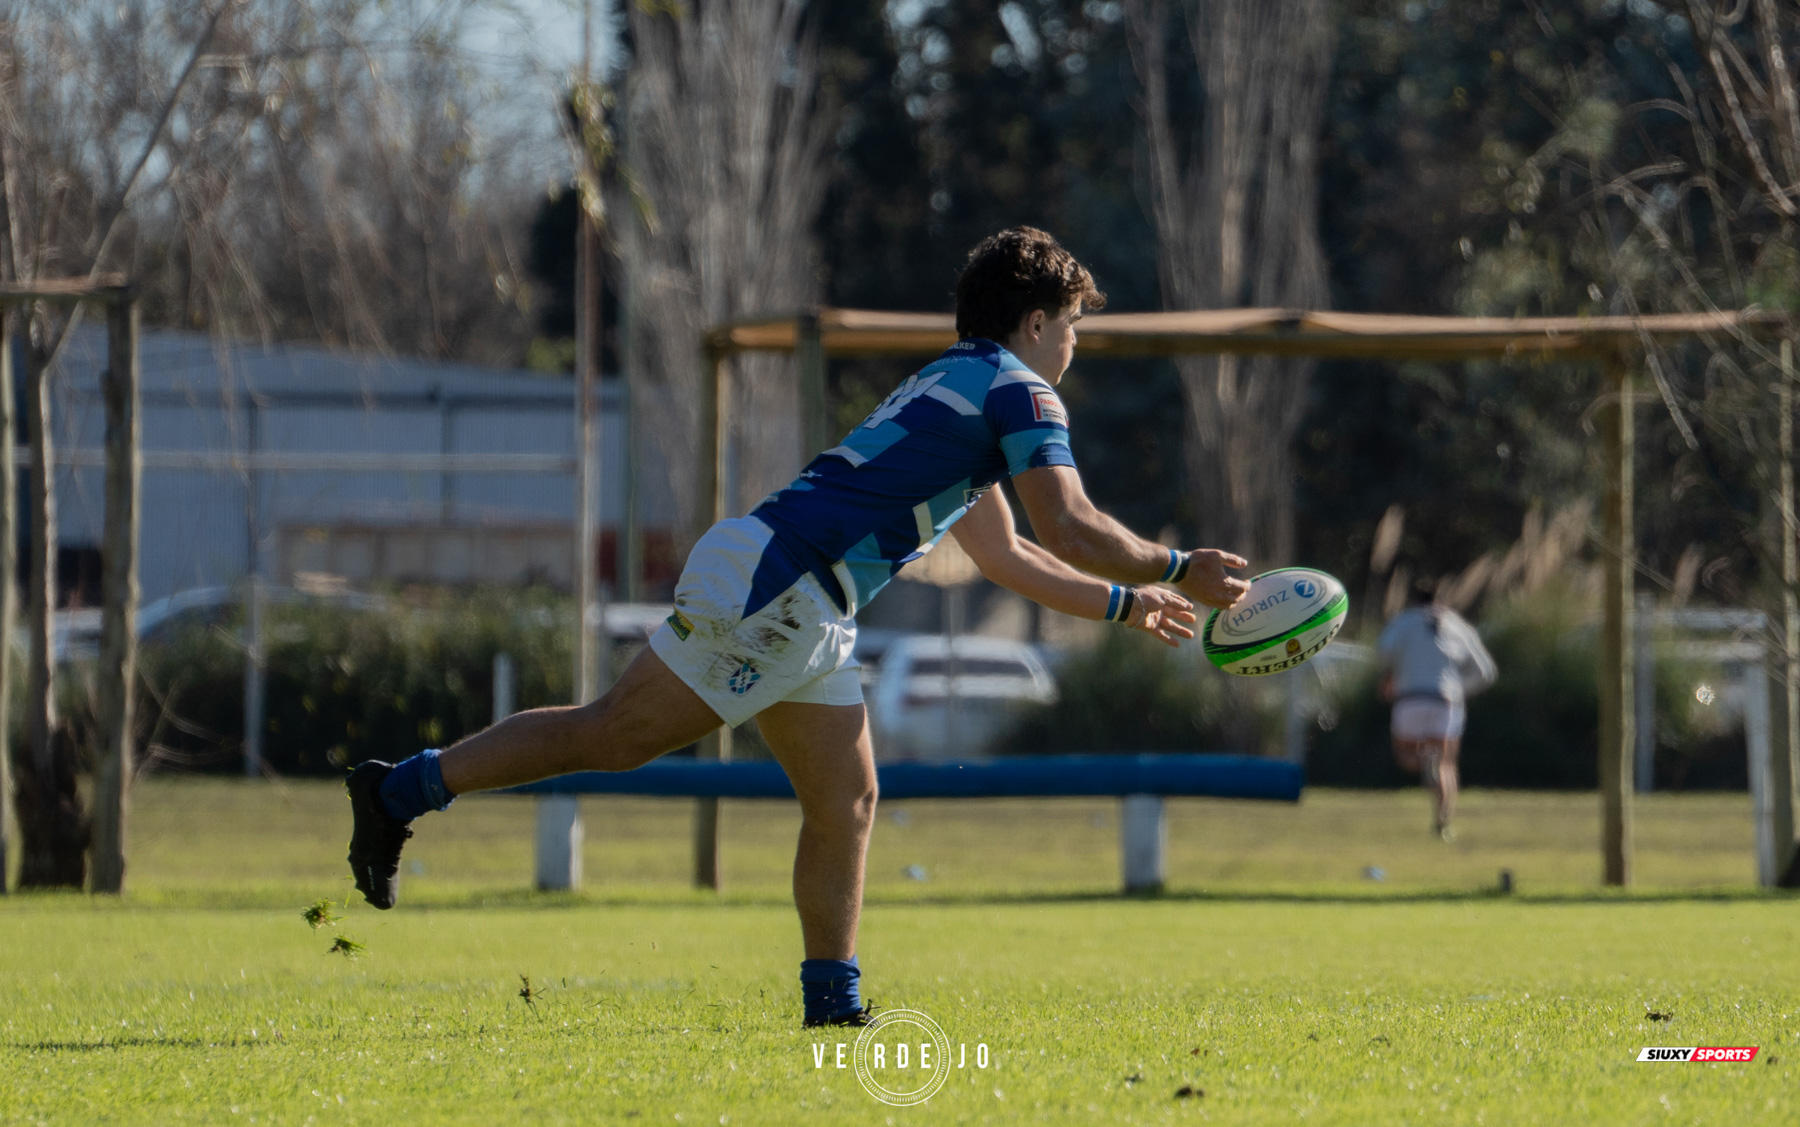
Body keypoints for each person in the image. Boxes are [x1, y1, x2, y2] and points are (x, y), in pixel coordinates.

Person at [342, 226, 1250, 1027]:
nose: (1076, 345)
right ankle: (398, 793)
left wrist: (1131, 604)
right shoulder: (1021, 391)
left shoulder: (956, 384)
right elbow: (1072, 523)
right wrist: (1176, 565)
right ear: (1038, 321)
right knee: (611, 736)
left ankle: (833, 1006)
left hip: (799, 594)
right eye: (1074, 324)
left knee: (847, 799)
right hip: (783, 587)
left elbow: (1011, 556)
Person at [1376, 579, 1497, 840]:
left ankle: (1422, 762)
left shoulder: (1403, 621)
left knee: (1405, 756)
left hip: (1409, 698)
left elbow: (1383, 653)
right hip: (1445, 701)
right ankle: (1442, 824)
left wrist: (1391, 677)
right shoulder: (1456, 624)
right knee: (1447, 764)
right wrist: (1458, 687)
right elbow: (1485, 671)